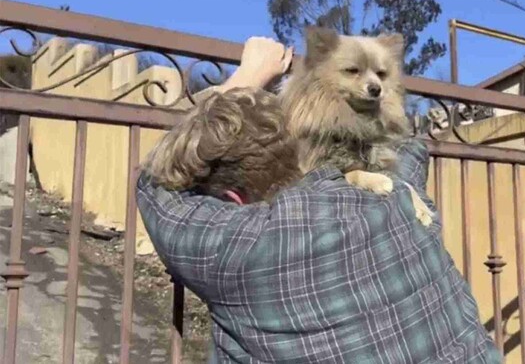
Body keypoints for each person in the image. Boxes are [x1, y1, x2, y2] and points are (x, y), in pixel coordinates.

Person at [136, 37, 500, 363]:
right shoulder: (395, 196)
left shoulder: (235, 250)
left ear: (231, 198)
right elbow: (408, 146)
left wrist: (247, 76)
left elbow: (155, 184)